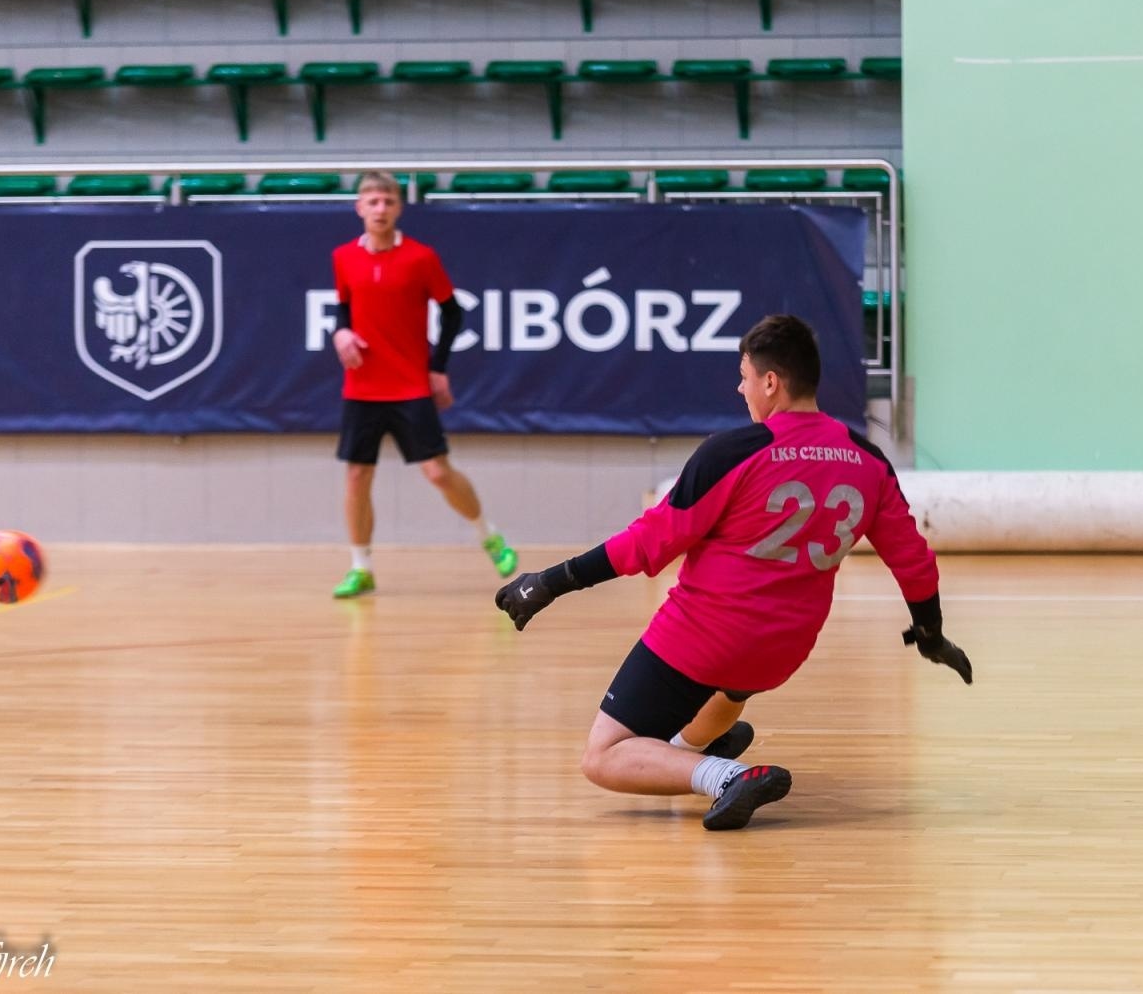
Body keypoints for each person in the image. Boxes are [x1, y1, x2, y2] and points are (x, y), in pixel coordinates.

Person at [494, 313, 972, 830]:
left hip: (703, 640)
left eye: (744, 375)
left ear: (772, 382)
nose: (739, 386)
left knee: (603, 756)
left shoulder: (735, 451)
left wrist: (549, 582)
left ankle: (724, 776)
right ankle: (699, 748)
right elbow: (913, 560)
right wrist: (930, 632)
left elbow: (649, 544)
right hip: (781, 653)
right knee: (721, 692)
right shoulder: (868, 460)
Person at [329, 170, 517, 598]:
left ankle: (489, 535)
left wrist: (437, 368)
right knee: (357, 476)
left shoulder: (421, 257)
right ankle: (361, 566)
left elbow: (452, 313)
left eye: (388, 201)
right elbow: (343, 308)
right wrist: (340, 332)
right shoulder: (343, 257)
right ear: (359, 207)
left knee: (437, 472)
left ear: (399, 208)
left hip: (410, 385)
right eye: (372, 201)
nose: (380, 209)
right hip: (362, 388)